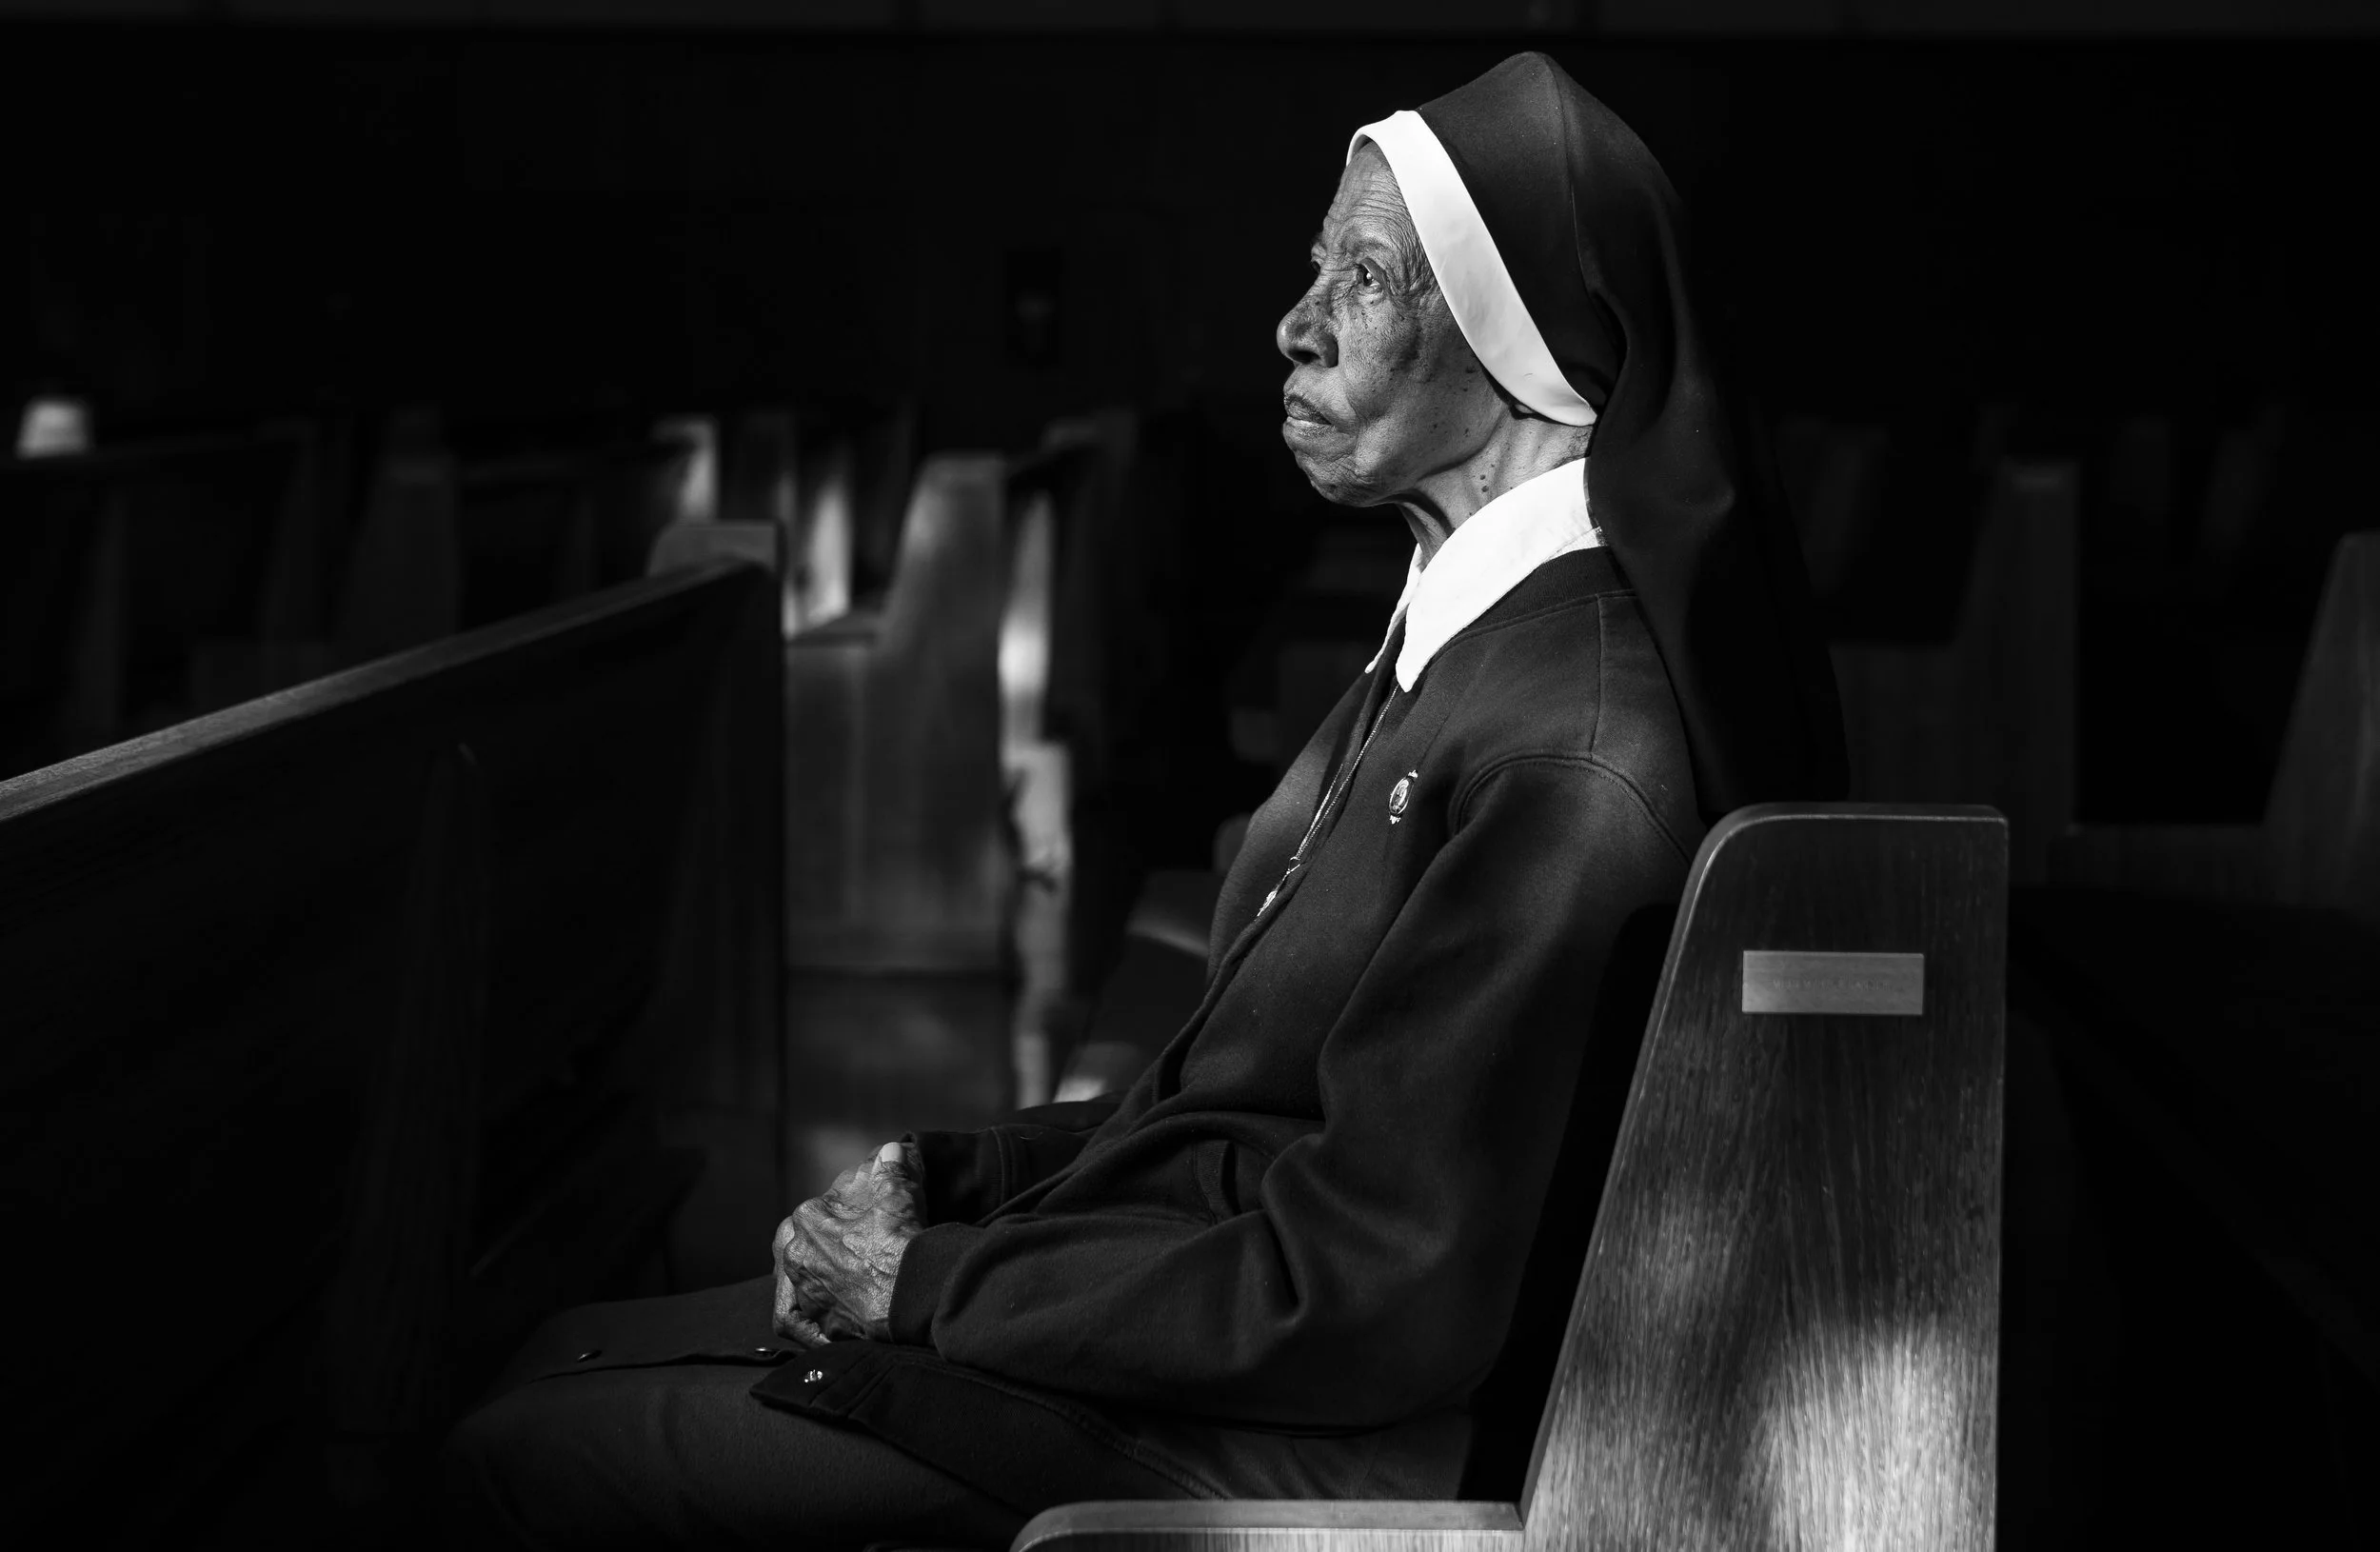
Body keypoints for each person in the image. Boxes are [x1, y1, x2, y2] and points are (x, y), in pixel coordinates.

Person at [444, 51, 1842, 1550]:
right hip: (1198, 1336)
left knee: (518, 1454)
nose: (1294, 327)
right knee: (548, 1361)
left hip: (1268, 1442)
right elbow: (1243, 1101)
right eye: (1317, 268)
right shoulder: (1471, 641)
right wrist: (956, 1176)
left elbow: (1372, 1287)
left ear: (1528, 349)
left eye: (1364, 281)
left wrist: (934, 1286)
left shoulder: (1563, 742)